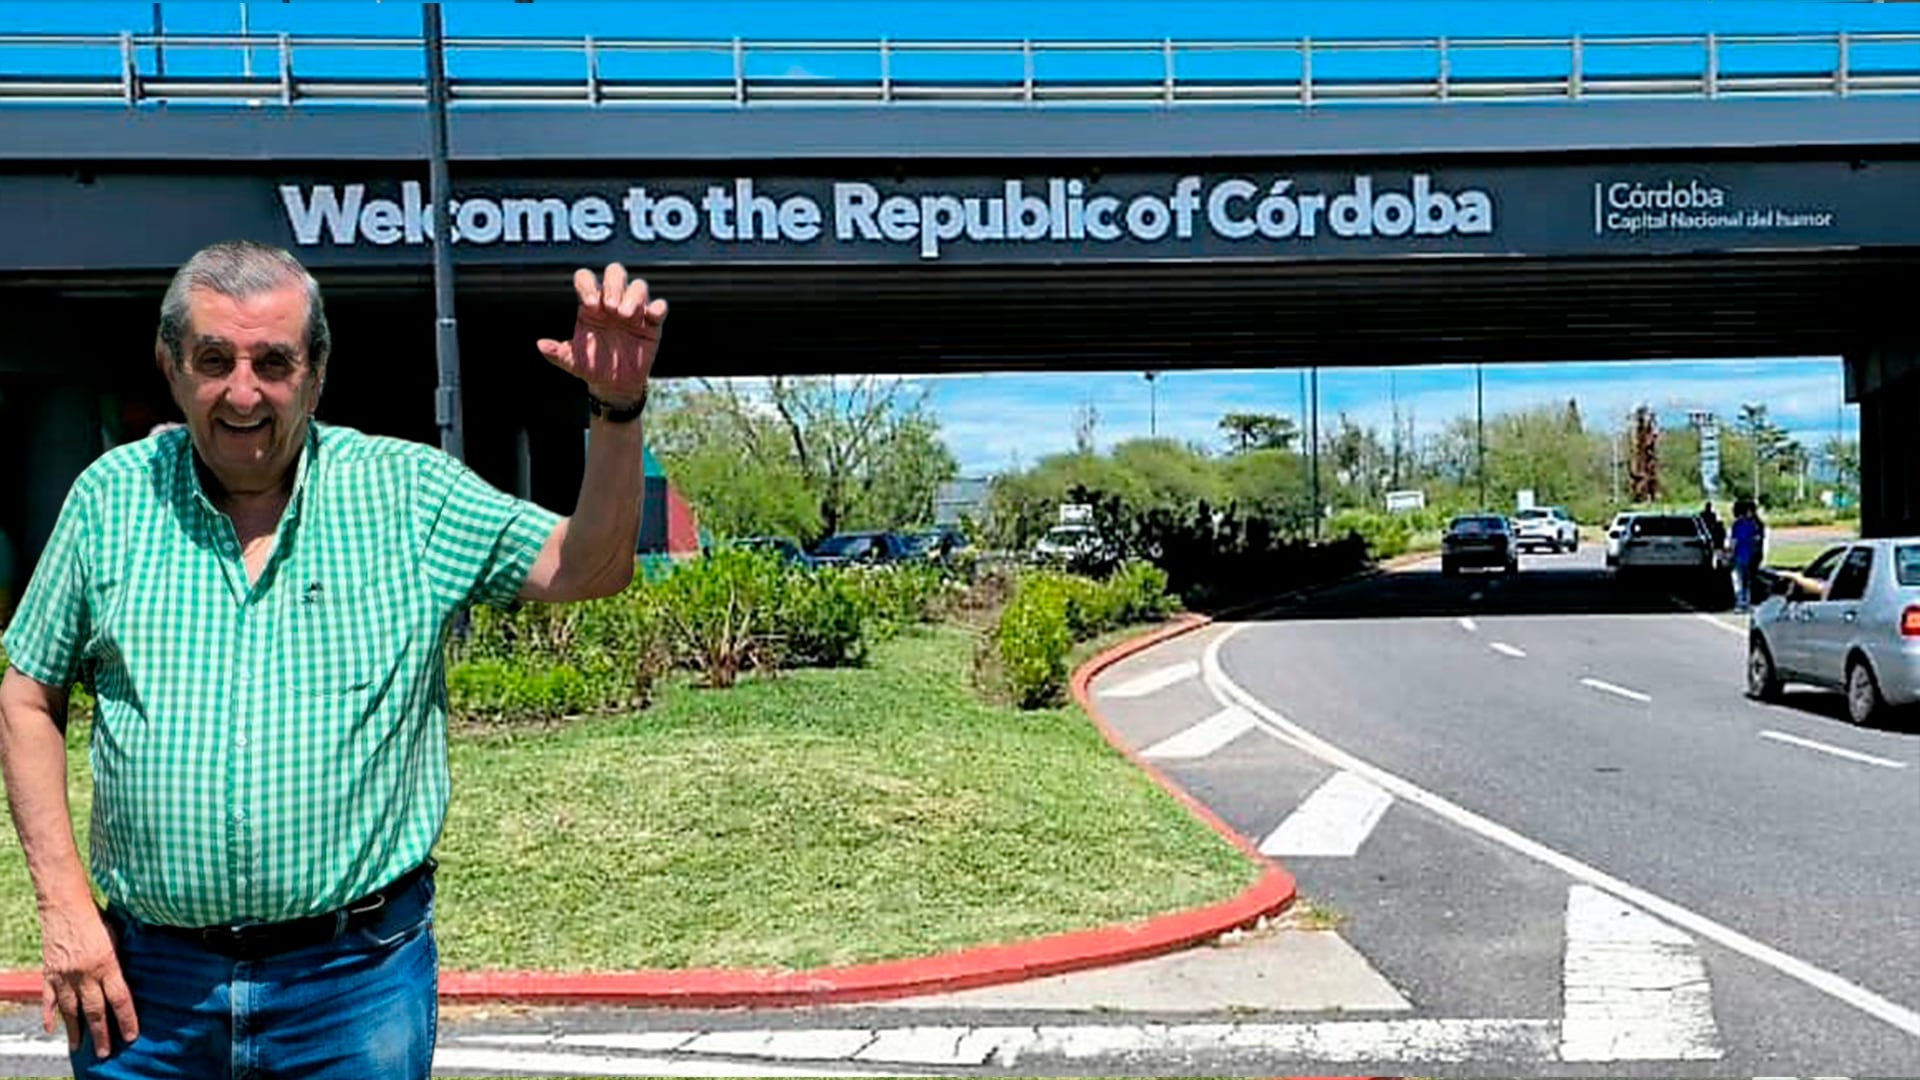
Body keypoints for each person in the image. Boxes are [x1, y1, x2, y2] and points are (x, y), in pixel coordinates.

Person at [0, 240, 664, 1078]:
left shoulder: (407, 495)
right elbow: (27, 693)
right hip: (146, 992)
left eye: (273, 362)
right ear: (171, 368)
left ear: (315, 373)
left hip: (353, 990)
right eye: (214, 360)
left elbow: (589, 566)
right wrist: (64, 909)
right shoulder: (110, 499)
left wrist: (617, 409)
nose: (243, 392)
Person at [1728, 497, 1767, 612]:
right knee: (1747, 580)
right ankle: (1747, 602)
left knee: (1738, 580)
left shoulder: (1737, 524)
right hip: (1751, 555)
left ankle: (1740, 602)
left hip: (1740, 555)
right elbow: (1758, 539)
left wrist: (1730, 554)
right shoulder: (1755, 525)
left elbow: (1734, 541)